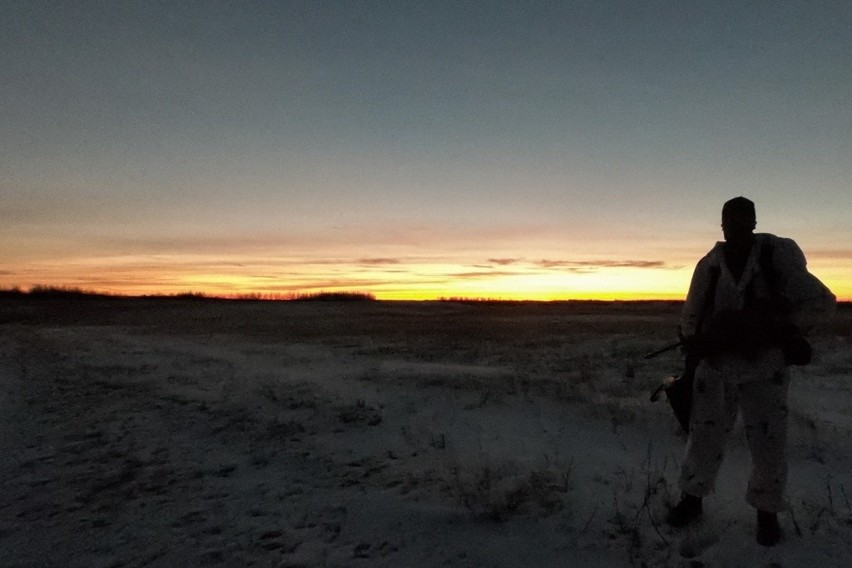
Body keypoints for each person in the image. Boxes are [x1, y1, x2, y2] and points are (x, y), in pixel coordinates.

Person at [666, 196, 836, 546]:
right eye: (731, 222)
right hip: (716, 370)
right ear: (722, 225)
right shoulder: (709, 266)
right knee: (703, 437)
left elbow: (821, 301)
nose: (737, 228)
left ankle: (767, 513)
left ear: (754, 222)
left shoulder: (778, 255)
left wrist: (779, 330)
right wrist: (699, 346)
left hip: (765, 369)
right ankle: (692, 499)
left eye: (744, 221)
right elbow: (691, 319)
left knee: (769, 442)